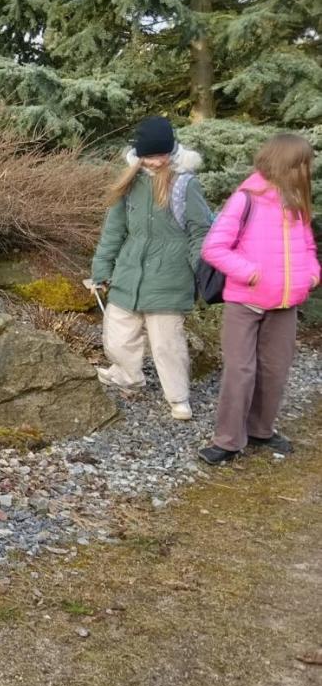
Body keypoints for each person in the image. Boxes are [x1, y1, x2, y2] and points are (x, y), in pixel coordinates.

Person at [197, 133, 320, 465]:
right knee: (240, 370)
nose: (308, 170)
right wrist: (252, 273)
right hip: (245, 303)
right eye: (303, 164)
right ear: (285, 163)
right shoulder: (246, 198)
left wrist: (311, 275)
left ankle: (261, 431)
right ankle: (227, 441)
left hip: (285, 306)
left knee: (275, 370)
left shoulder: (296, 199)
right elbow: (213, 248)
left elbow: (308, 248)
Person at [90, 116, 212, 420]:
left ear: (170, 152)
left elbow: (201, 230)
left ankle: (178, 398)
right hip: (129, 274)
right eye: (149, 155)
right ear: (138, 154)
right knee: (117, 335)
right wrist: (101, 268)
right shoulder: (130, 181)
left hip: (170, 276)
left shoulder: (185, 183)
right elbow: (113, 230)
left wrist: (201, 270)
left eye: (161, 155)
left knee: (167, 344)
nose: (156, 162)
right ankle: (127, 375)